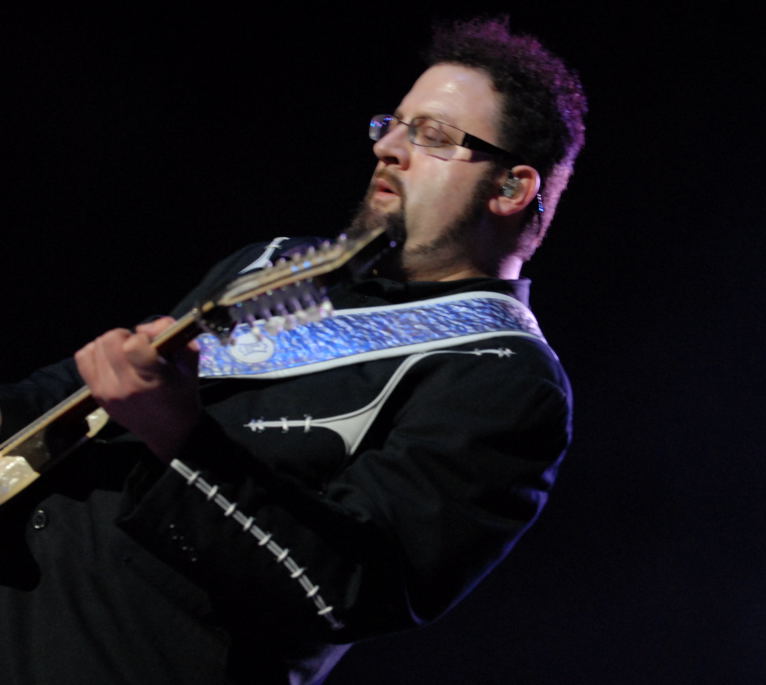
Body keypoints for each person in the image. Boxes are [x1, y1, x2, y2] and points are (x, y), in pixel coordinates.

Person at [0, 16, 587, 685]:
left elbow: (346, 587)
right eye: (393, 124)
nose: (388, 147)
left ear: (511, 188)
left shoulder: (508, 380)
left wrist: (180, 438)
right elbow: (58, 400)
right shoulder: (274, 265)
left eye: (432, 135)